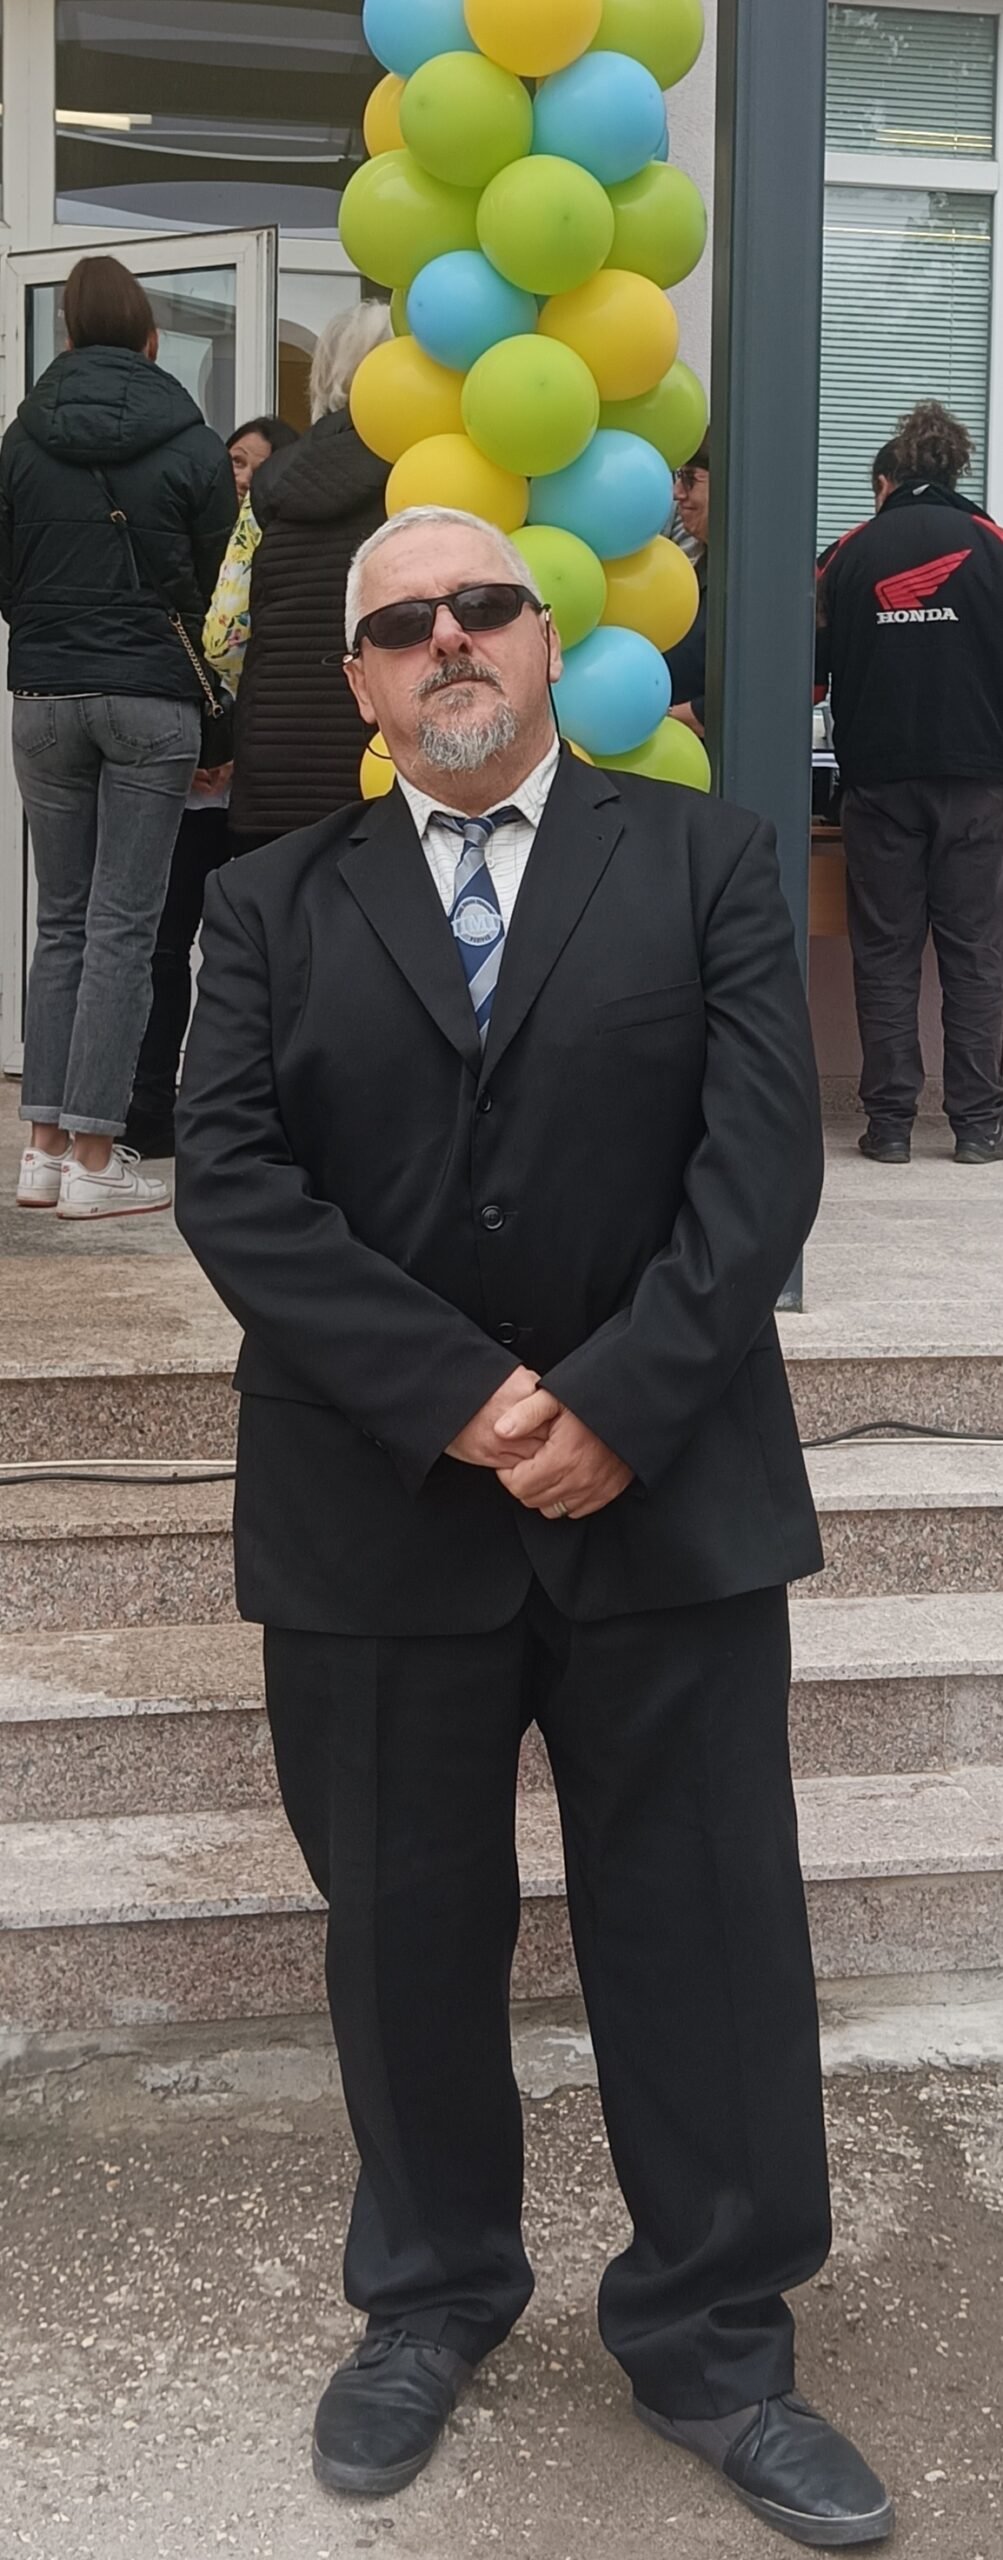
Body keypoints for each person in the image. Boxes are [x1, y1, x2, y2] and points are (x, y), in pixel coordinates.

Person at [176, 501, 894, 2550]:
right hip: (375, 1509)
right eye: (403, 622)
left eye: (481, 604)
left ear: (546, 635)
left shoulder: (708, 859)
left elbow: (755, 1167)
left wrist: (617, 1403)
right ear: (358, 681)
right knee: (404, 1935)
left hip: (664, 1502)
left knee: (703, 1930)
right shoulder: (269, 898)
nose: (448, 640)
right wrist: (464, 1399)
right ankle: (429, 2295)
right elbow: (232, 1181)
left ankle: (716, 2337)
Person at [0, 252, 236, 1217]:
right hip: (150, 697)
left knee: (61, 920)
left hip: (44, 693)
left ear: (64, 334)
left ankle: (41, 1152)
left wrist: (52, 630)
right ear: (152, 338)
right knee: (125, 928)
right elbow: (222, 591)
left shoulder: (21, 441)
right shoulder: (191, 441)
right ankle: (96, 1161)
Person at [816, 399, 1003, 1165]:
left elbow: (809, 679)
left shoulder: (847, 554)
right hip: (976, 784)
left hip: (878, 787)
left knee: (885, 953)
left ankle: (889, 1126)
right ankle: (977, 1127)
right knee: (974, 954)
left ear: (883, 482)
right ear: (955, 471)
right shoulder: (992, 544)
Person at [125, 412, 298, 1159]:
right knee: (166, 946)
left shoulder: (286, 543)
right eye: (233, 460)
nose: (241, 476)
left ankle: (249, 1109)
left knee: (253, 952)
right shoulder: (199, 539)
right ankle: (149, 1106)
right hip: (193, 783)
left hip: (263, 786)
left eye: (254, 463)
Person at [227, 302, 392, 851]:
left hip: (274, 761)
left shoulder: (271, 480)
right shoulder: (426, 472)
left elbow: (224, 631)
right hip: (378, 756)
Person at [666, 436, 709, 735]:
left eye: (690, 478)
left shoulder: (760, 578)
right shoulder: (698, 568)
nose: (677, 493)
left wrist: (679, 716)